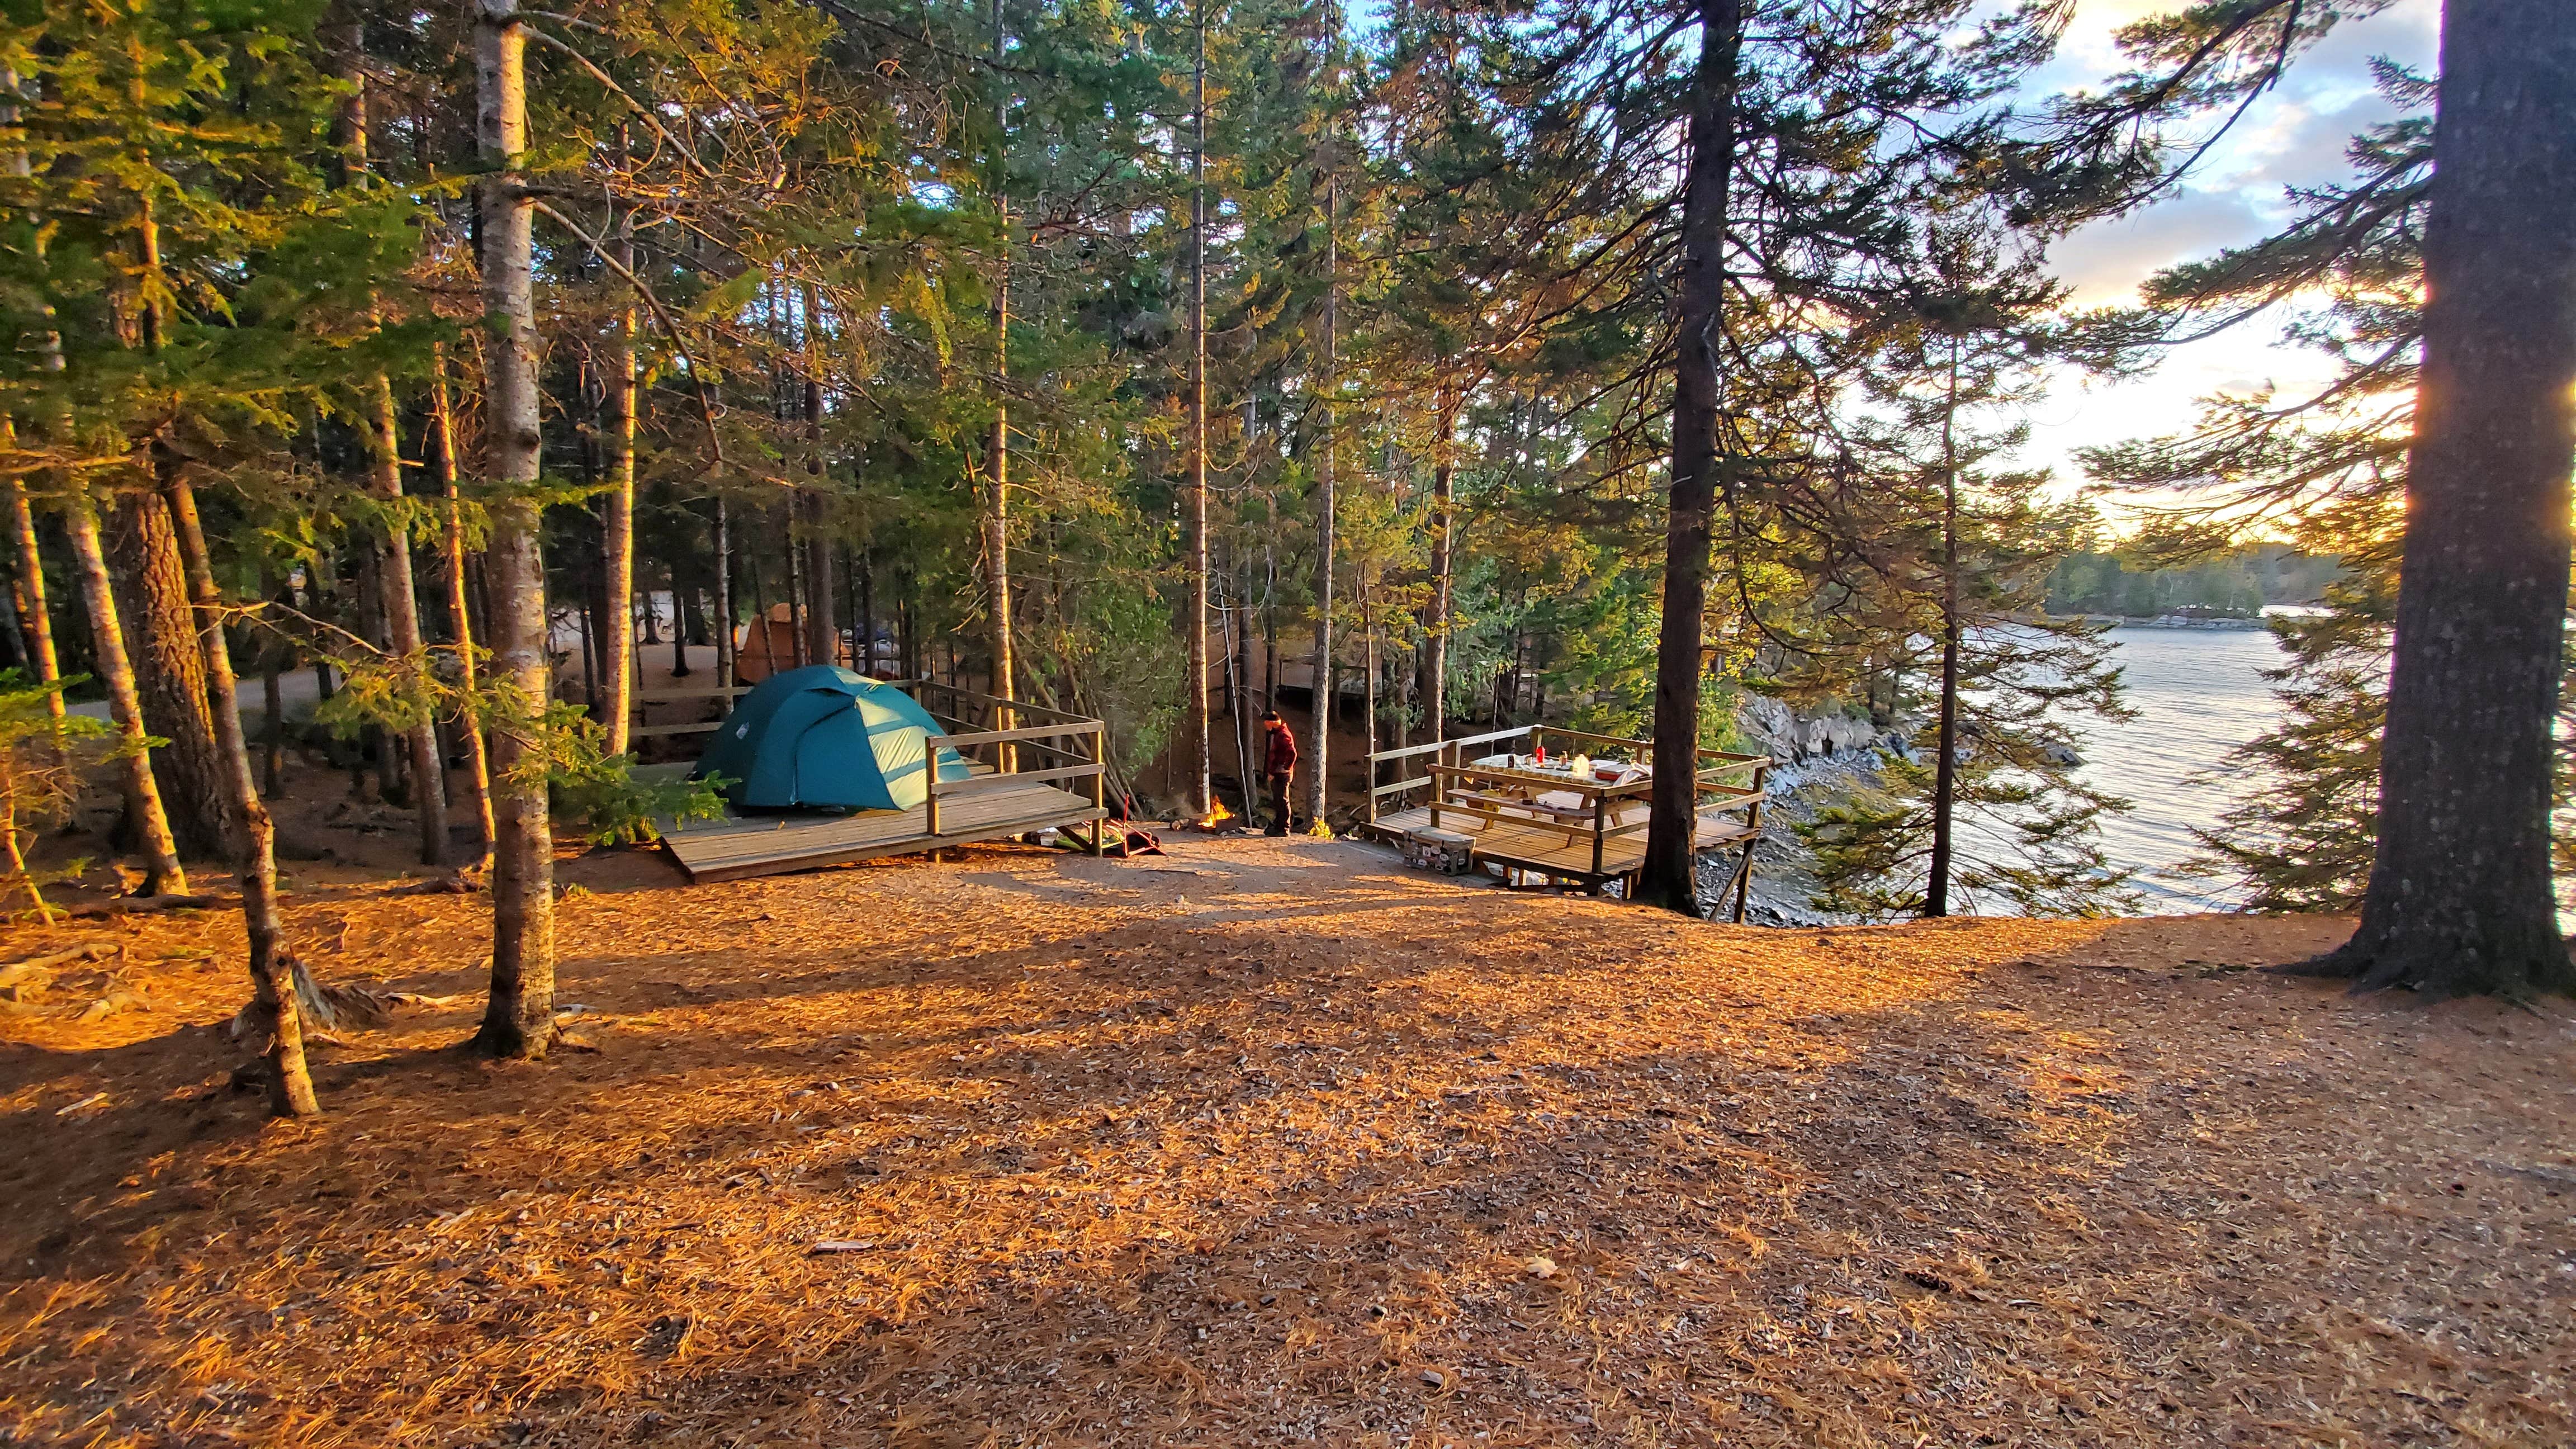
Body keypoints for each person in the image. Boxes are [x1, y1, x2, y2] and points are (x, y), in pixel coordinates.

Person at [1260, 707, 1298, 836]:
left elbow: (1292, 753)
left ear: (1272, 723)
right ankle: (1278, 826)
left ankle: (1284, 828)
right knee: (1278, 800)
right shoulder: (1278, 734)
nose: (1266, 728)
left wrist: (1286, 768)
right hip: (1277, 774)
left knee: (1282, 800)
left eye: (1267, 725)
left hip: (1282, 774)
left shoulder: (1284, 735)